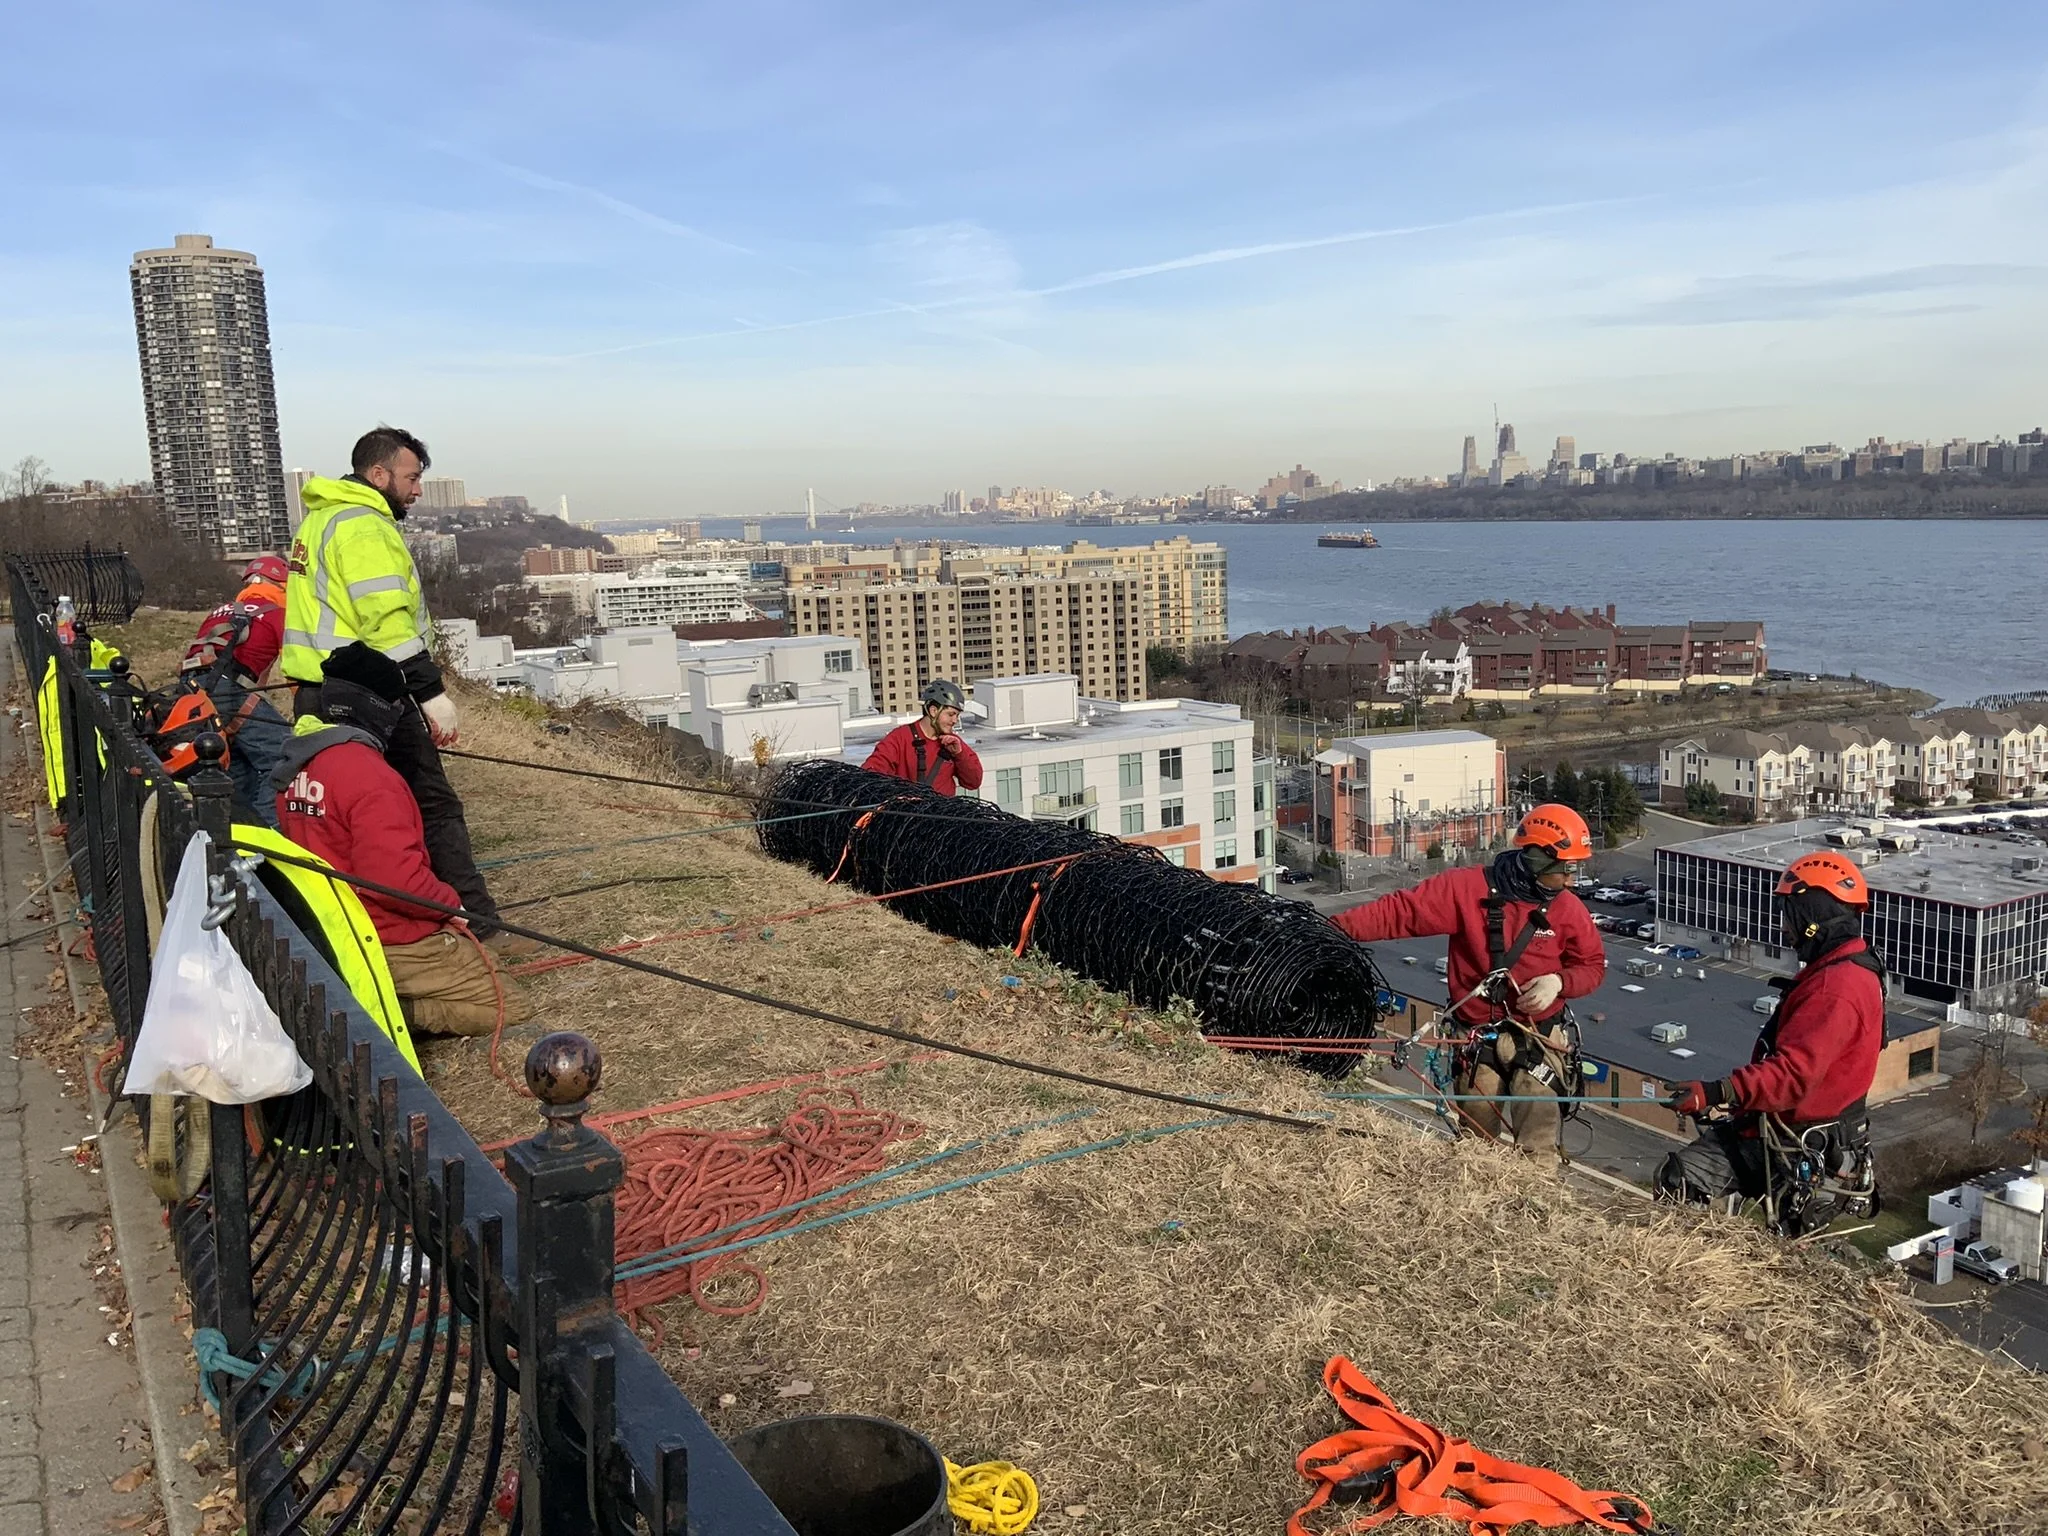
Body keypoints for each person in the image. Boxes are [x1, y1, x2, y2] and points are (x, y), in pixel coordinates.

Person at [284, 427, 525, 953]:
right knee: (432, 806)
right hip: (364, 694)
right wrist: (431, 693)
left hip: (316, 692)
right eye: (412, 478)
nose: (417, 490)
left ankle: (376, 924)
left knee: (341, 815)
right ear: (378, 474)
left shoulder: (321, 518)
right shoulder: (364, 527)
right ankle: (476, 927)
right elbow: (387, 621)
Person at [273, 643, 532, 1038]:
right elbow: (396, 881)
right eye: (396, 703)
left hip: (334, 927)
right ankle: (389, 1012)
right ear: (378, 707)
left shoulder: (296, 765)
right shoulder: (372, 778)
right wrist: (452, 905)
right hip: (388, 936)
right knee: (510, 1006)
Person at [1332, 804, 1604, 1151]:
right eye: (1565, 870)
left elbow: (1592, 965)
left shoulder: (1568, 910)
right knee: (1476, 1144)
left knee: (1538, 1144)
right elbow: (1399, 913)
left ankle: (1532, 1200)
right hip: (1477, 1039)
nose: (1570, 880)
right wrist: (1333, 930)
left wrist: (1559, 983)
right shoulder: (1465, 889)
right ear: (1537, 858)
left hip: (1537, 1036)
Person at [1658, 851, 1883, 1232]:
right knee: (1680, 1178)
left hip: (1802, 1145)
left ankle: (1698, 1274)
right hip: (1787, 1131)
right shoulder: (1854, 967)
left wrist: (1717, 1091)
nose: (1785, 930)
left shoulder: (1835, 989)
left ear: (1812, 916)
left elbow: (1794, 1075)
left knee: (1687, 1186)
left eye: (1790, 917)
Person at [179, 555, 292, 828]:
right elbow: (293, 665)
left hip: (193, 687)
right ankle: (269, 840)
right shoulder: (279, 613)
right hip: (230, 687)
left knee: (240, 763)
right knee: (283, 754)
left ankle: (239, 830)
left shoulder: (222, 610)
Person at [862, 679, 984, 795]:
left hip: (942, 814)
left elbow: (974, 782)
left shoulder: (953, 743)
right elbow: (871, 773)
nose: (955, 720)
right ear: (933, 711)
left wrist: (959, 755)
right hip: (907, 814)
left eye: (957, 716)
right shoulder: (900, 738)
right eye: (951, 714)